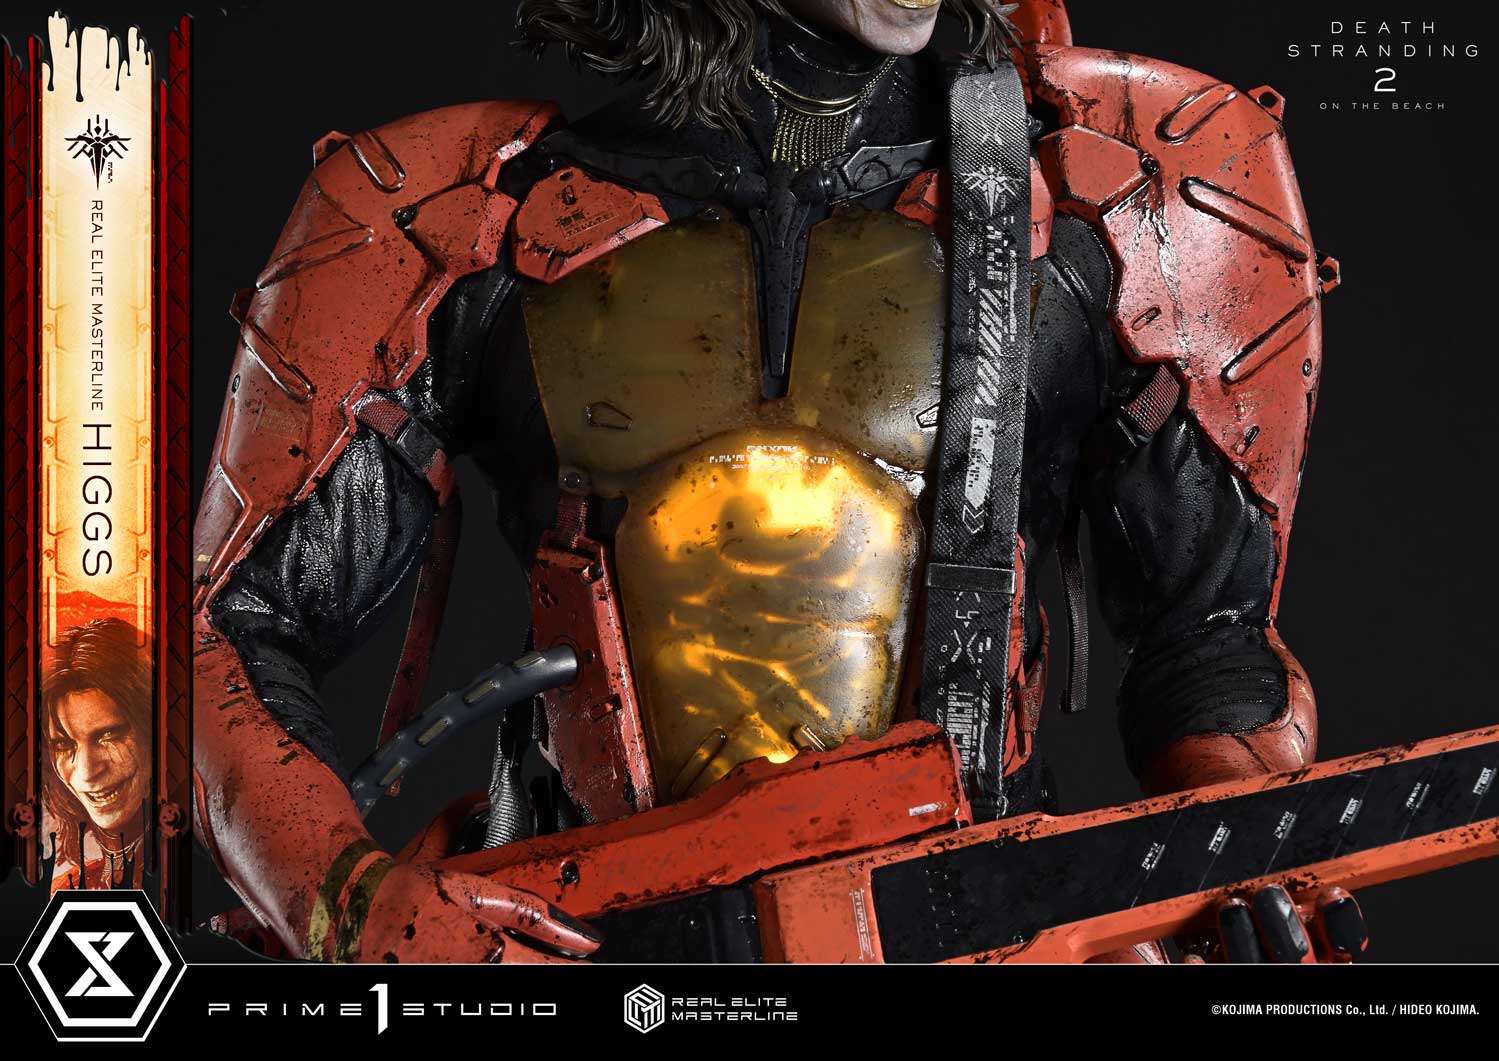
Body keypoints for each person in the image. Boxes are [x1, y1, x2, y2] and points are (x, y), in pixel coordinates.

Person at [191, 0, 1357, 962]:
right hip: (588, 942)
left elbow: (1208, 638)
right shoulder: (450, 217)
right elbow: (230, 633)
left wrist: (1238, 843)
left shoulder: (1121, 191)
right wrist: (347, 902)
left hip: (966, 929)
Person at [42, 618, 151, 891]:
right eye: (64, 745)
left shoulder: (216, 872)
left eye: (109, 736)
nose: (87, 772)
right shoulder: (68, 885)